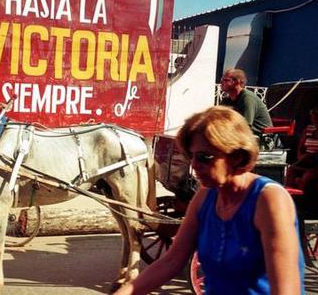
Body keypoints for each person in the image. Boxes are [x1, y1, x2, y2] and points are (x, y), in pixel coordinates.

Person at [114, 106, 304, 295]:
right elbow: (171, 262)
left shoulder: (268, 200)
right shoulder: (205, 197)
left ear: (236, 156)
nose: (195, 165)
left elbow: (287, 290)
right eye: (192, 156)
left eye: (205, 157)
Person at [220, 68, 273, 135]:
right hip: (240, 134)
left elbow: (245, 125)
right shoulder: (226, 100)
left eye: (225, 80)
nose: (221, 82)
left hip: (260, 137)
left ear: (237, 82)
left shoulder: (247, 98)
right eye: (221, 80)